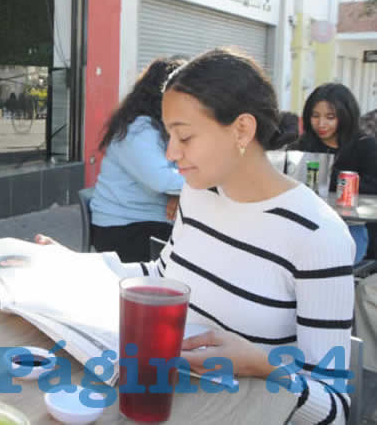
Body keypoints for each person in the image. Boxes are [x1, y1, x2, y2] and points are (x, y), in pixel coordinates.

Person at [37, 48, 353, 424]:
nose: (171, 153)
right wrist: (72, 265)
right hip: (176, 405)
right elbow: (165, 276)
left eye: (184, 137)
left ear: (242, 130)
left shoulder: (318, 235)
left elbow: (334, 408)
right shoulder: (199, 193)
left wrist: (260, 365)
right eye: (168, 134)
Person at [87, 57, 186, 262]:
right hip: (124, 229)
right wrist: (200, 181)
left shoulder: (161, 128)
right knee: (197, 251)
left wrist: (178, 194)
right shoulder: (137, 129)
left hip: (148, 220)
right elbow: (161, 180)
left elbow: (178, 169)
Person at [289, 83, 377, 263]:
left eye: (330, 117)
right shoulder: (302, 146)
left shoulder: (365, 145)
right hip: (305, 227)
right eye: (315, 116)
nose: (321, 124)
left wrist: (330, 176)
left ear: (346, 115)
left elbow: (373, 187)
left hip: (352, 229)